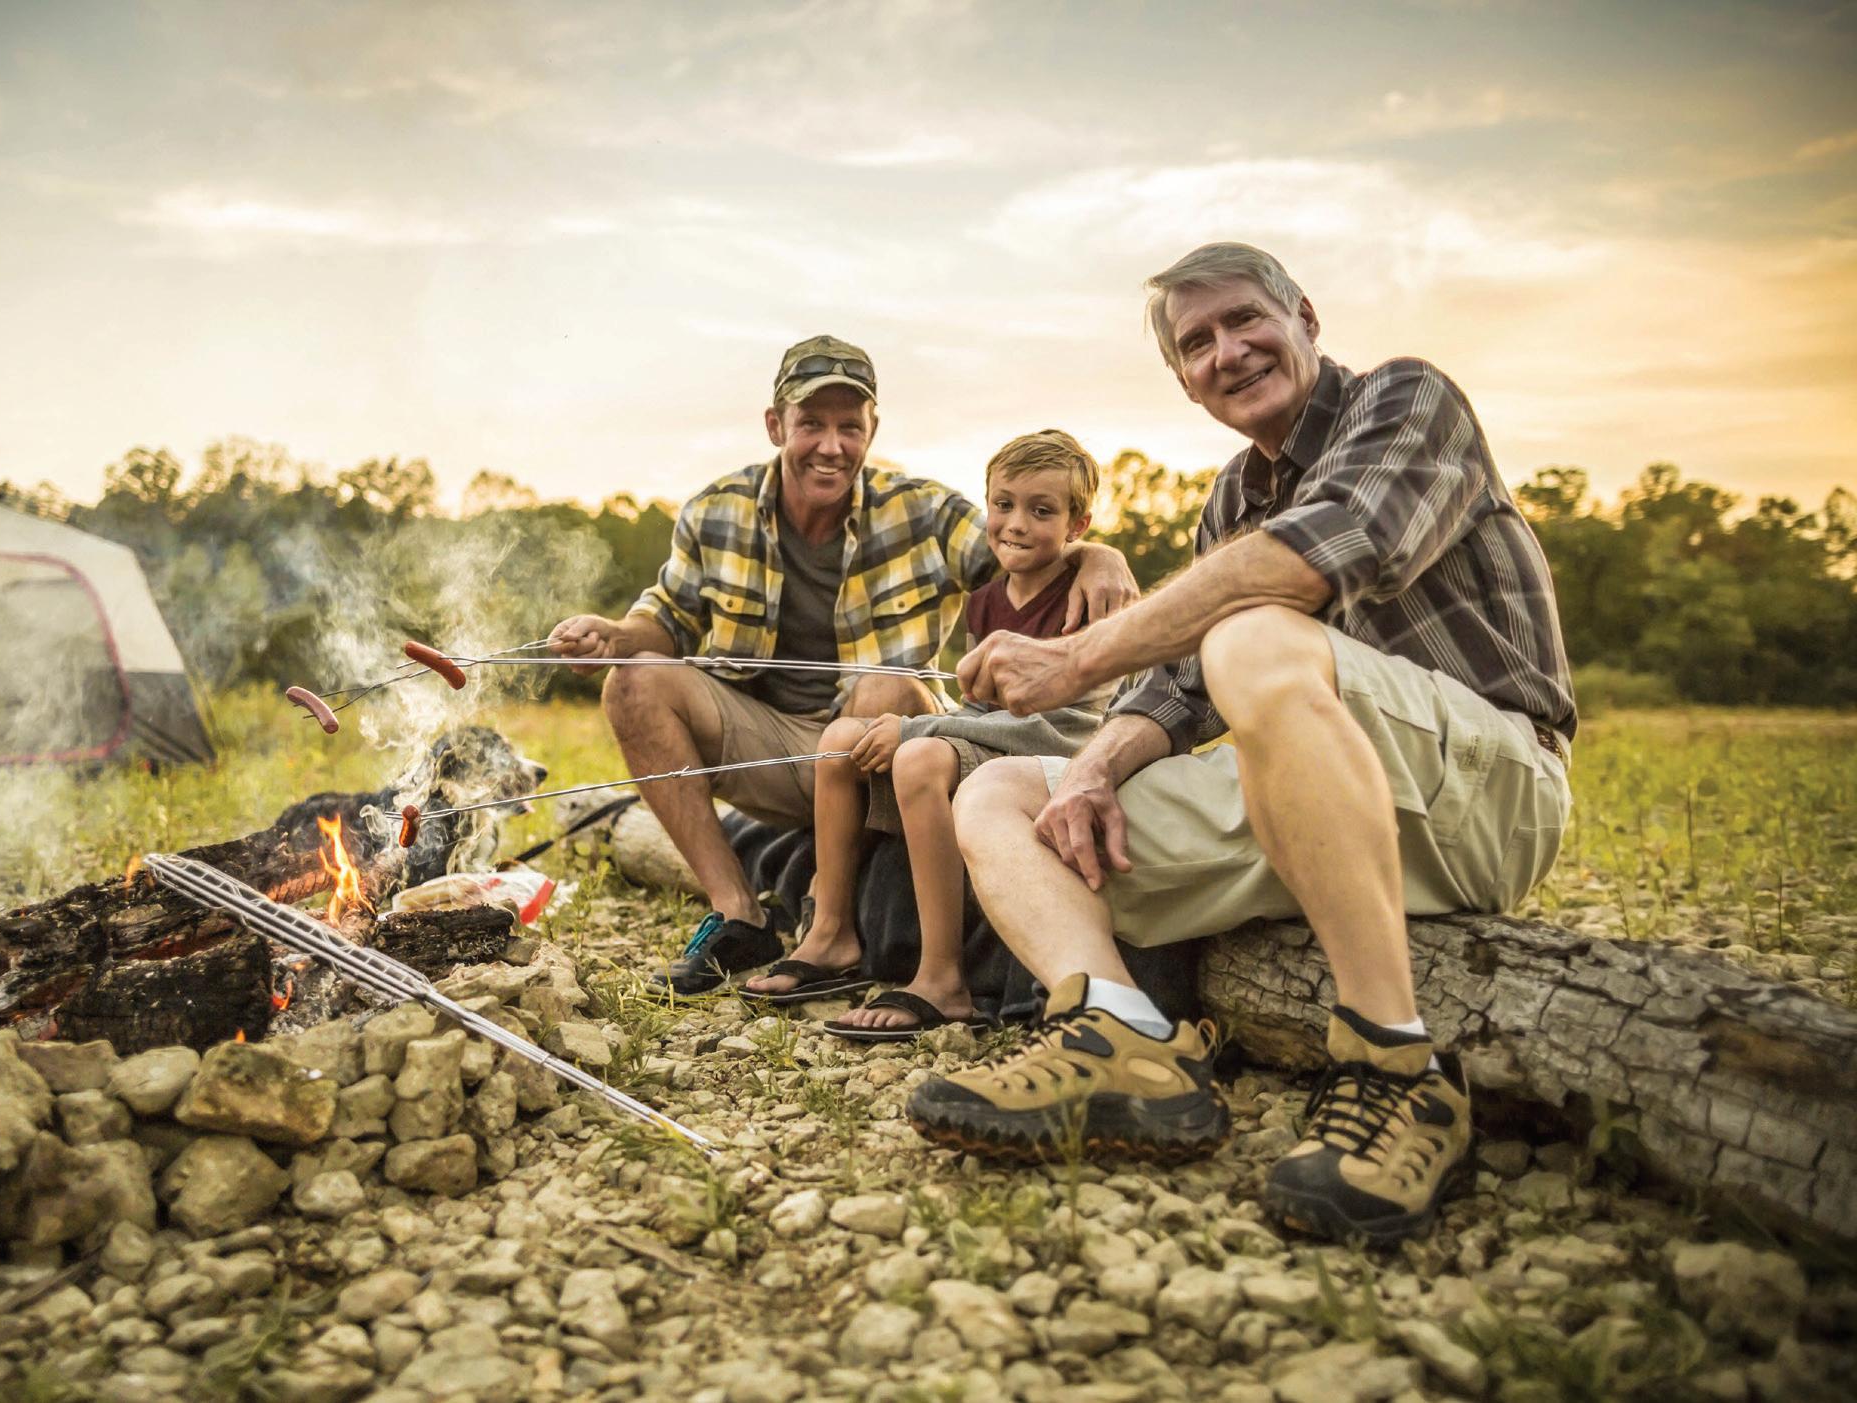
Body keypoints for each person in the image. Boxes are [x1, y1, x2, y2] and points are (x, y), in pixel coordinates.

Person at [908, 243, 1575, 1245]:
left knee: (1252, 634)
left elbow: (1320, 555)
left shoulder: (1406, 398)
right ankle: (1122, 1036)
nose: (1226, 351)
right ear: (1184, 381)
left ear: (1304, 317)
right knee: (1003, 790)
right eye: (1196, 342)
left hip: (1486, 791)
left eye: (1245, 319)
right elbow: (1179, 684)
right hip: (1307, 798)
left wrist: (1076, 658)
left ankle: (1393, 1063)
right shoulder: (1231, 496)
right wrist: (1092, 769)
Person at [548, 336, 1136, 996]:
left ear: (871, 430)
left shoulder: (925, 509)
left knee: (885, 682)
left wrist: (1100, 555)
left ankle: (834, 921)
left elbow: (1025, 544)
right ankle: (738, 913)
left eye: (849, 427)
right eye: (812, 424)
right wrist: (618, 634)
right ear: (776, 425)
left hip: (879, 746)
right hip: (767, 748)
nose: (831, 446)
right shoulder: (716, 510)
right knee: (633, 680)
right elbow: (667, 620)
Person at [739, 430, 1116, 1039]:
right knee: (840, 740)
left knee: (918, 757)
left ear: (1078, 526)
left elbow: (1063, 728)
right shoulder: (986, 598)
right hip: (994, 745)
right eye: (1003, 504)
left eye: (1042, 511)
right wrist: (924, 724)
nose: (1016, 524)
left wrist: (918, 726)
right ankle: (831, 933)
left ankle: (943, 978)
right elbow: (983, 710)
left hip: (1052, 756)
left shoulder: (1087, 597)